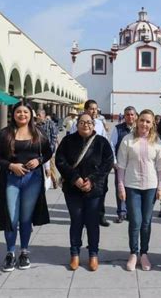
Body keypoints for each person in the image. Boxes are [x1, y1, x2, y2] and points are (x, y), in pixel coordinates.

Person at [0, 101, 52, 272]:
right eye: (19, 112)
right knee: (11, 218)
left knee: (26, 218)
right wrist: (11, 165)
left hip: (33, 180)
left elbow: (49, 151)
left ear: (31, 114)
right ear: (13, 114)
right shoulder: (5, 134)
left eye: (25, 112)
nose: (22, 115)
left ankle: (24, 251)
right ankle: (10, 253)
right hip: (11, 178)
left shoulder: (38, 133)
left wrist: (39, 160)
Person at [55, 113, 114, 271]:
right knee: (76, 220)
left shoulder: (102, 142)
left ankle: (93, 254)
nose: (85, 125)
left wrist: (92, 180)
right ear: (77, 124)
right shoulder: (68, 141)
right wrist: (75, 179)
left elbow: (108, 163)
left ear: (94, 125)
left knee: (92, 222)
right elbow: (60, 160)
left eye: (89, 122)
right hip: (73, 189)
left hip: (94, 190)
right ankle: (74, 254)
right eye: (82, 122)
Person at [117, 109, 161, 271]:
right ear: (137, 121)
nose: (144, 124)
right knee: (135, 221)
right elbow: (121, 166)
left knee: (146, 222)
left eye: (148, 122)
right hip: (132, 186)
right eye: (142, 120)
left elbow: (160, 167)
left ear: (152, 125)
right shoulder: (128, 140)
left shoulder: (157, 142)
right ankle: (133, 253)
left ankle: (144, 253)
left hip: (150, 186)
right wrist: (121, 187)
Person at [69, 100, 110, 226]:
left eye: (96, 109)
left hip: (97, 166)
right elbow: (72, 143)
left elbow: (106, 143)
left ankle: (100, 215)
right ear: (86, 110)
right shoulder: (76, 125)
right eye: (92, 109)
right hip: (81, 166)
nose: (94, 111)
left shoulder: (99, 124)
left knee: (101, 189)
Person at [110, 106, 137, 223]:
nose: (130, 117)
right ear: (124, 116)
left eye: (132, 114)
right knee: (120, 188)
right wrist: (114, 162)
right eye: (127, 115)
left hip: (135, 166)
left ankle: (131, 213)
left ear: (135, 116)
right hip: (120, 165)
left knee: (133, 189)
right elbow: (111, 145)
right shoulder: (118, 129)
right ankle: (121, 212)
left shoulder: (139, 129)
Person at [36, 109, 59, 189]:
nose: (38, 117)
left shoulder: (50, 124)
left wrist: (51, 150)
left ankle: (54, 180)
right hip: (39, 151)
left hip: (49, 151)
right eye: (37, 115)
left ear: (44, 116)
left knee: (51, 167)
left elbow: (54, 137)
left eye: (39, 115)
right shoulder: (36, 125)